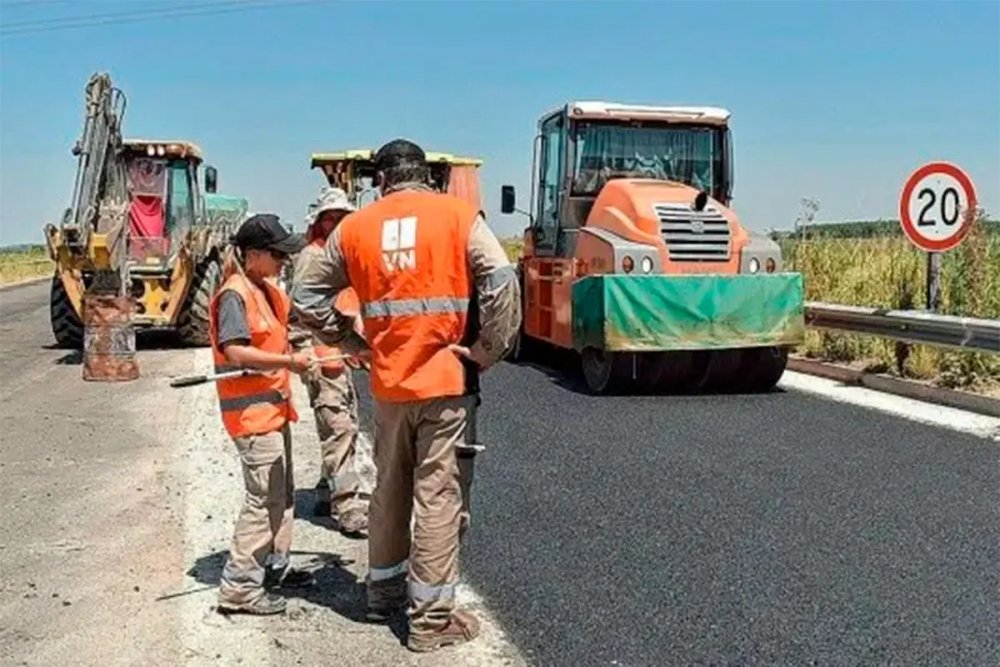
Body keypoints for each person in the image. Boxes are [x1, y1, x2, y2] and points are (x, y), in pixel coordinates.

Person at [290, 138, 521, 653]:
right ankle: (431, 620)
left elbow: (304, 296)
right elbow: (502, 279)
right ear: (428, 176)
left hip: (389, 386)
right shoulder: (457, 216)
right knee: (439, 497)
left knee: (390, 490)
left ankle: (384, 594)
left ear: (380, 181)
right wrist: (487, 349)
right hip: (446, 384)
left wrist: (353, 343)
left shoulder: (355, 227)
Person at [209, 213, 316, 616]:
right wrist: (289, 363)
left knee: (282, 496)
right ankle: (239, 589)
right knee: (262, 501)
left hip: (272, 412)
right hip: (251, 418)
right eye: (277, 254)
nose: (284, 261)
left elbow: (299, 325)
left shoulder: (266, 290)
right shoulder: (236, 293)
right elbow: (236, 351)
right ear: (253, 254)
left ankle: (274, 565)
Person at [289, 186, 375, 537]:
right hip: (323, 354)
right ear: (320, 222)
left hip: (336, 350)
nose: (338, 224)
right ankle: (348, 507)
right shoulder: (315, 258)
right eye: (331, 218)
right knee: (339, 427)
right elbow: (303, 311)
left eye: (344, 218)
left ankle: (326, 492)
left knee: (343, 421)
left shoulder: (338, 258)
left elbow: (346, 306)